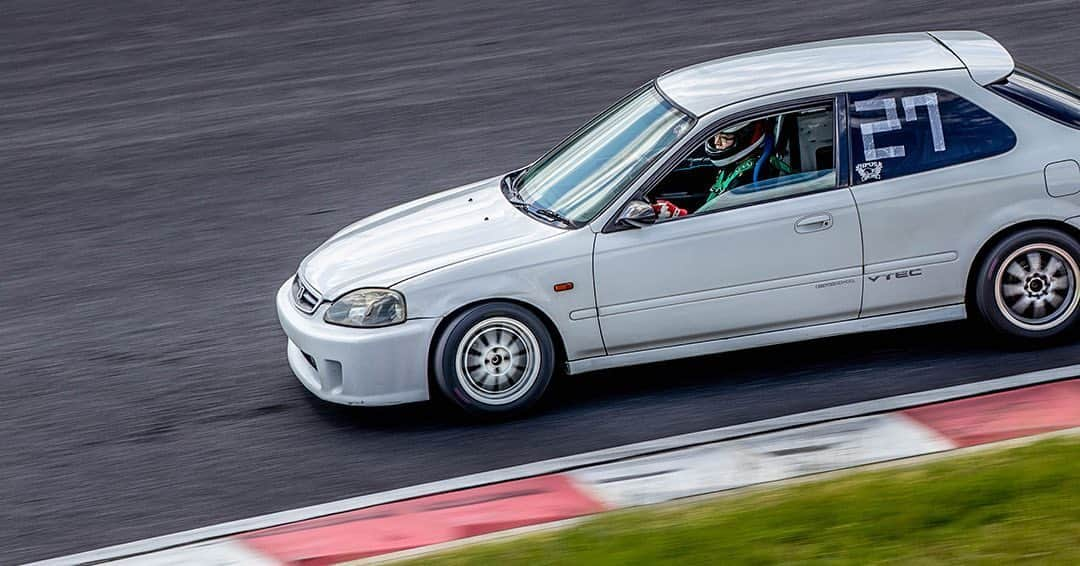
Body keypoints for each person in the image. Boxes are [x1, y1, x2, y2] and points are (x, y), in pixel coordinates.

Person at [652, 119, 792, 217]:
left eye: (725, 137)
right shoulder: (733, 164)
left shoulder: (746, 181)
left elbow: (716, 224)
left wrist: (678, 214)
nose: (717, 142)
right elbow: (693, 171)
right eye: (716, 136)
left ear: (746, 137)